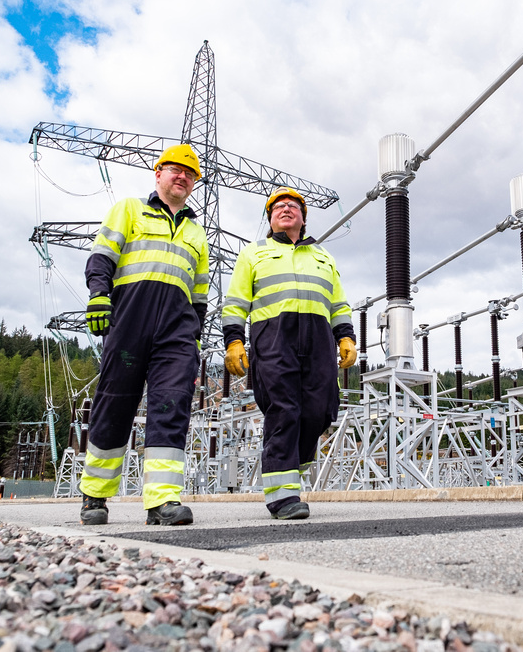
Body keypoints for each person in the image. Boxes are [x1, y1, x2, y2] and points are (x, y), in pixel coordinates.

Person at [79, 143, 209, 526]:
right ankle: (95, 496)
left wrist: (196, 340)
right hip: (129, 323)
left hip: (177, 332)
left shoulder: (197, 233)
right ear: (158, 174)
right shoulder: (129, 209)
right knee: (114, 404)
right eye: (175, 170)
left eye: (189, 174)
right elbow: (102, 255)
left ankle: (162, 501)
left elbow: (199, 294)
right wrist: (99, 294)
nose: (182, 176)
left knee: (171, 406)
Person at [221, 187, 356, 520]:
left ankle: (291, 464)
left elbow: (338, 303)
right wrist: (234, 340)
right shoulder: (254, 254)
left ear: (303, 217)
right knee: (283, 410)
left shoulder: (323, 257)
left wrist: (346, 337)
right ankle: (282, 497)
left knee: (320, 409)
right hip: (274, 339)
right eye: (277, 206)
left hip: (319, 341)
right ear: (270, 218)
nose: (285, 209)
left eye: (292, 206)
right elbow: (236, 301)